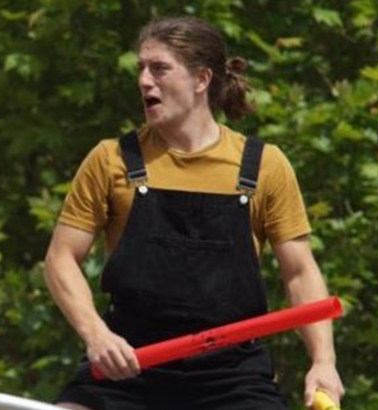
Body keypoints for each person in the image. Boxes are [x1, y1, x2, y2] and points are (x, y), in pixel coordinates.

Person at [43, 17, 344, 410]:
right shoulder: (111, 159)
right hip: (128, 369)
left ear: (202, 80)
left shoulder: (263, 165)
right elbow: (60, 258)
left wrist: (323, 361)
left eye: (160, 68)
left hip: (233, 378)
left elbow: (300, 272)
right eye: (141, 68)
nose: (144, 81)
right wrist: (96, 335)